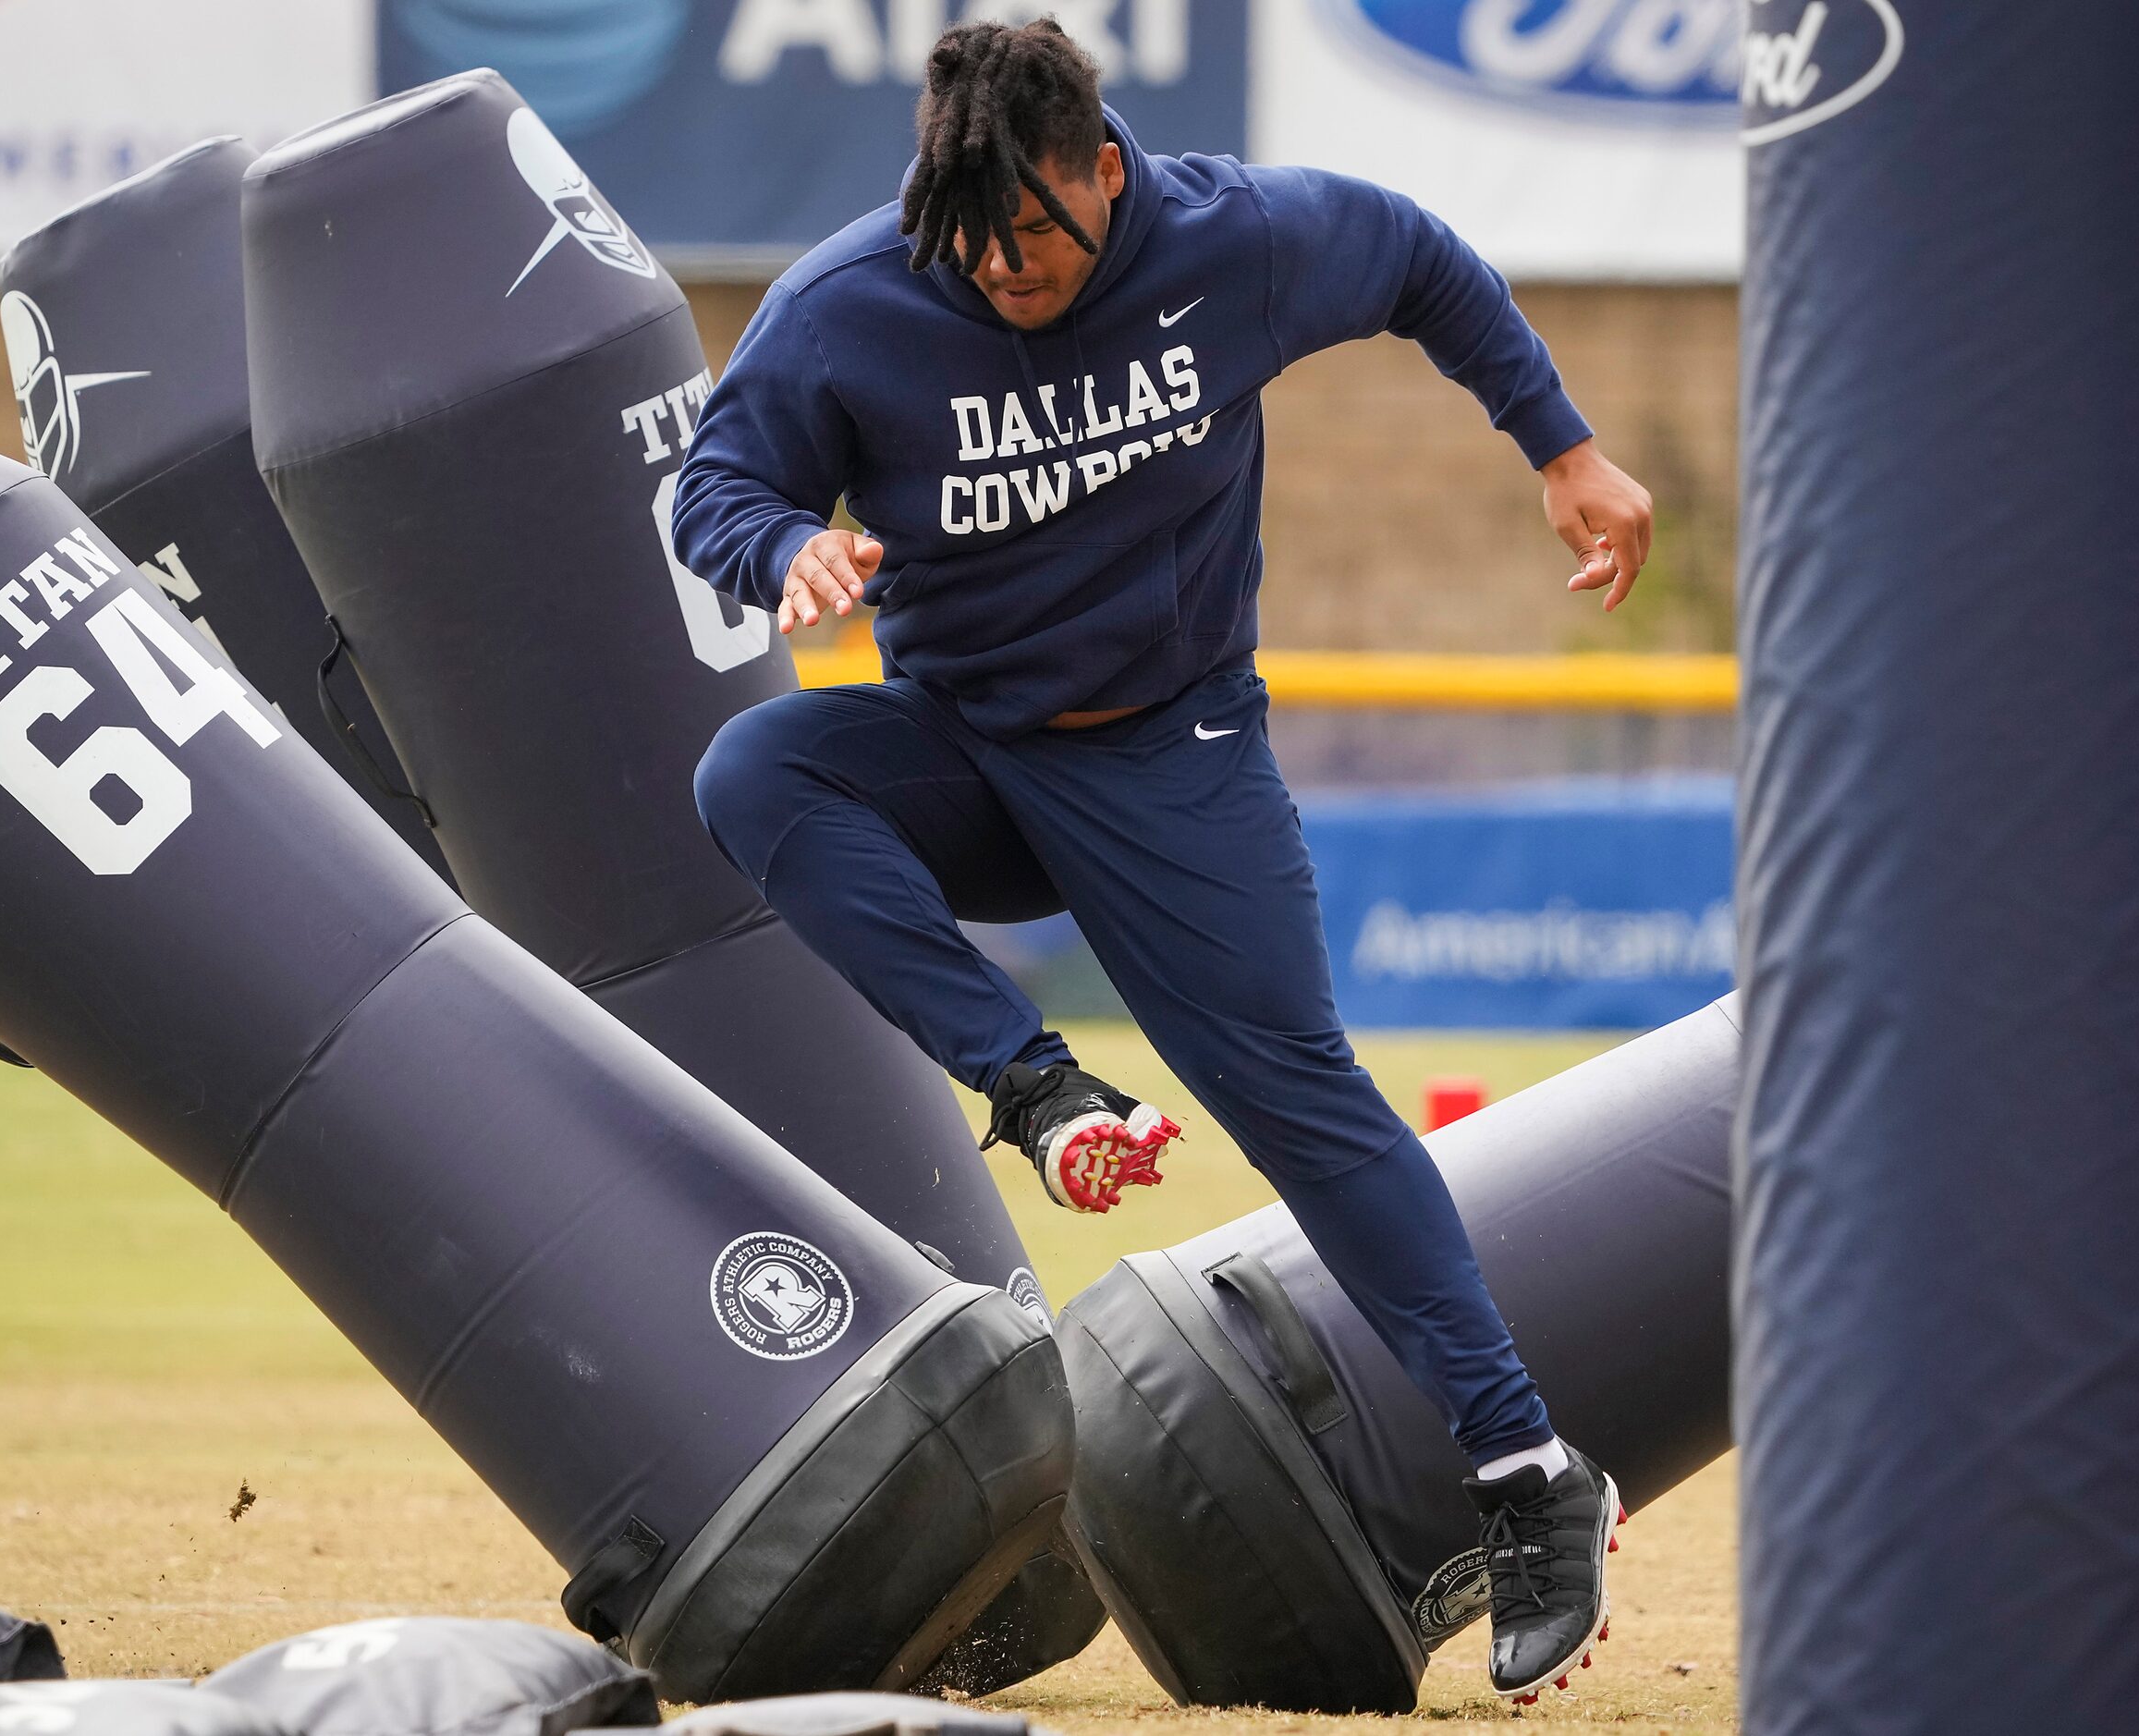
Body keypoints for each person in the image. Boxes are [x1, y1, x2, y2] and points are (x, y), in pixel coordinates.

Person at [672, 18, 1652, 1702]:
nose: (1004, 274)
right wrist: (784, 544)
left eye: (1037, 239)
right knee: (756, 768)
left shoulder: (1234, 238)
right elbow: (714, 481)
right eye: (966, 245)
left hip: (1168, 749)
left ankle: (1528, 1473)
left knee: (1304, 1102)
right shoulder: (849, 306)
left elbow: (1420, 258)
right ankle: (1039, 1091)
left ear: (1106, 176)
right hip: (969, 752)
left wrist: (1559, 444)